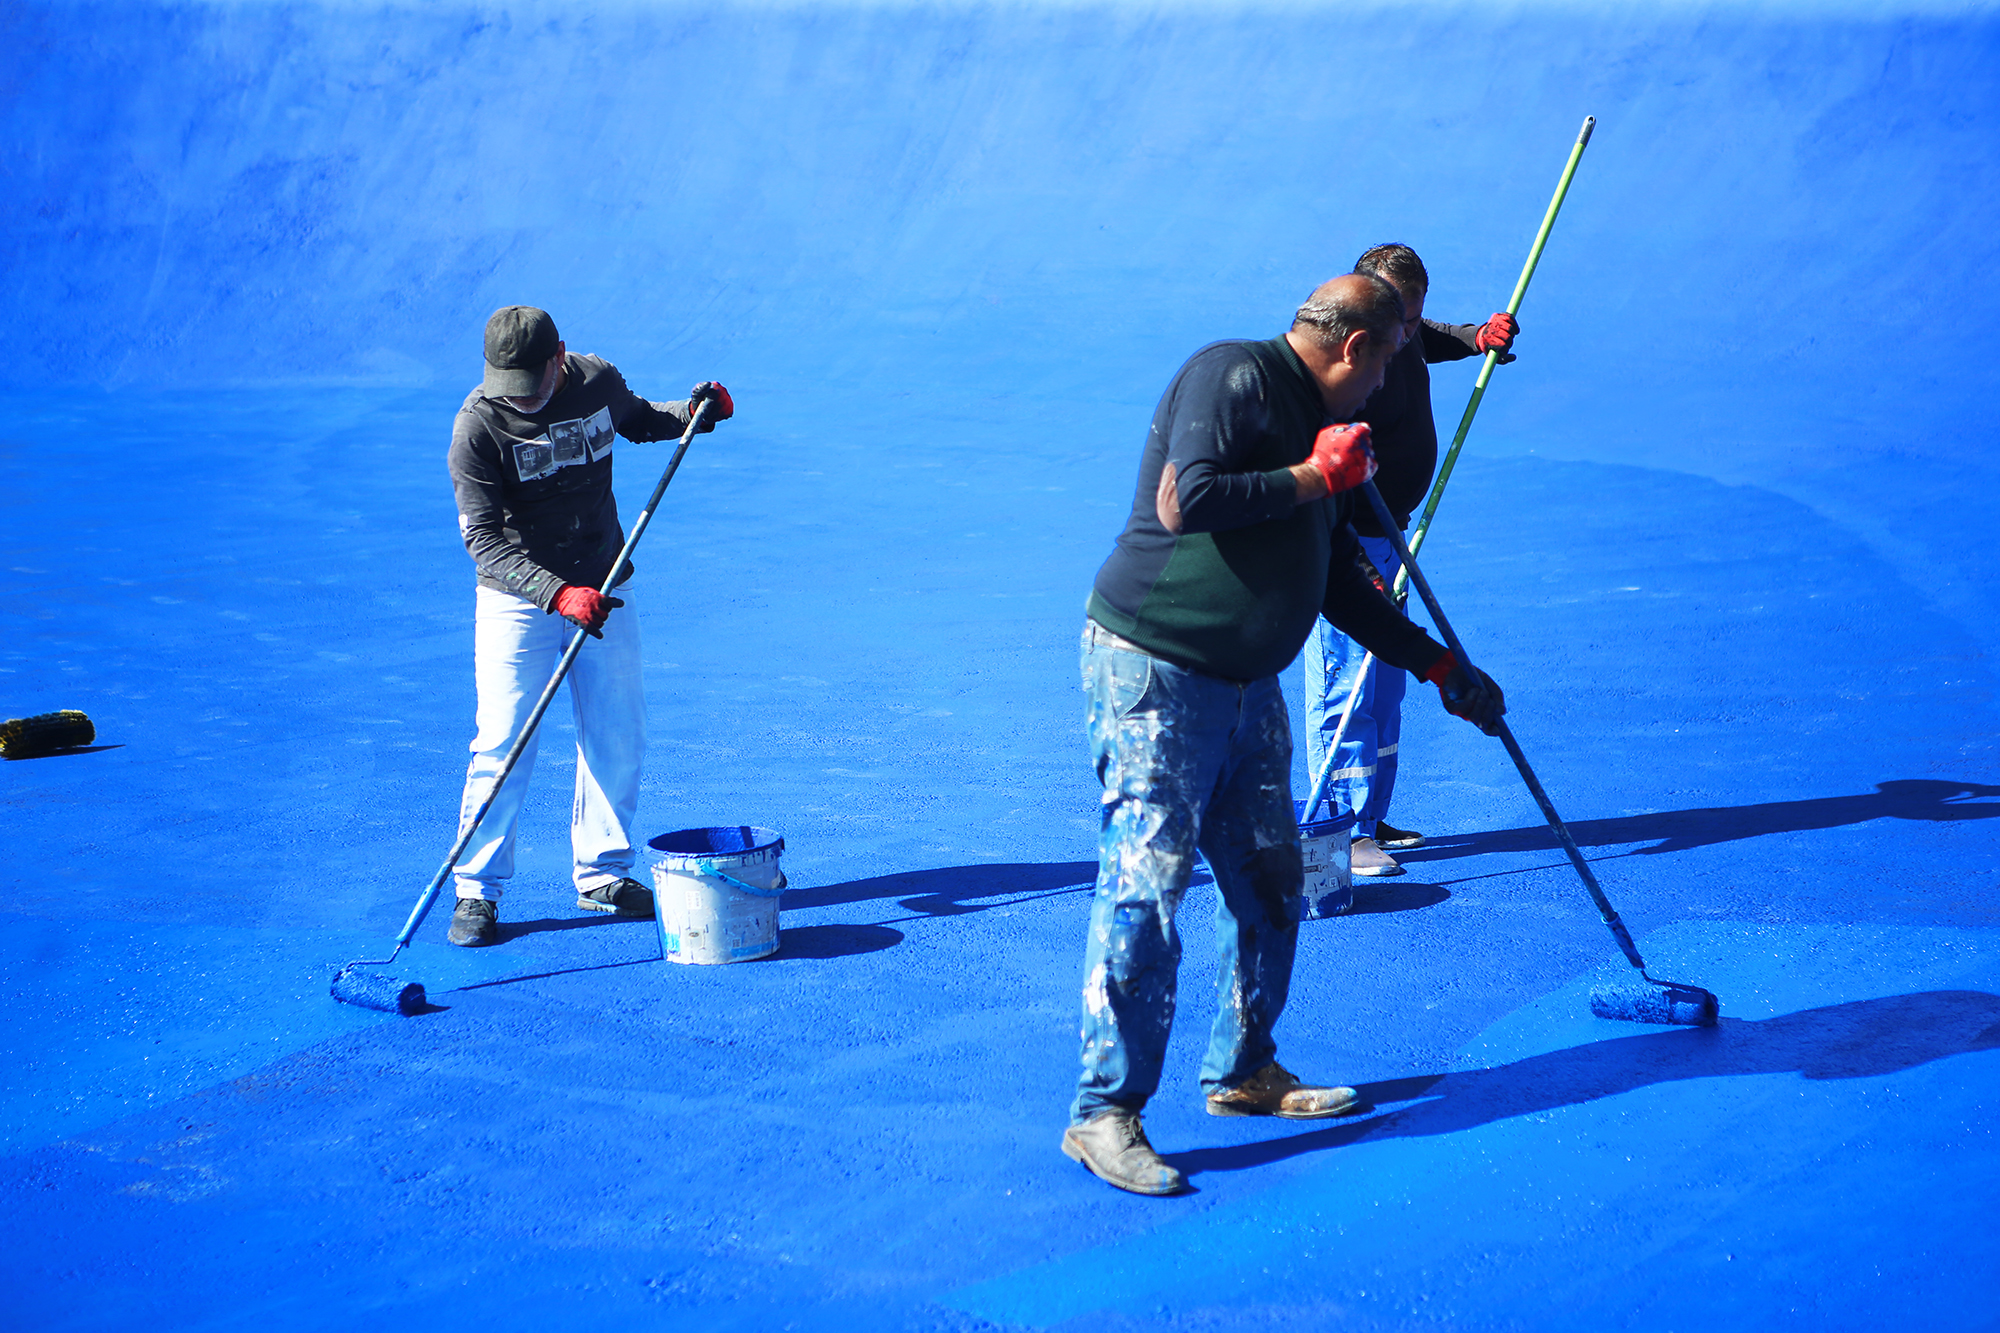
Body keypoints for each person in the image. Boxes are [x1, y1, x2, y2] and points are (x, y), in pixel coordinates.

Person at [1066, 274, 1506, 1195]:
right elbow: (1189, 496)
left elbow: (1340, 578)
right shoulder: (1234, 377)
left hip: (1246, 680)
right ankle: (1103, 1114)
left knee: (1272, 879)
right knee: (1146, 883)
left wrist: (1434, 666)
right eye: (1389, 359)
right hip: (1156, 672)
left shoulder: (1338, 431)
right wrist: (1317, 475)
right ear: (1354, 347)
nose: (1390, 381)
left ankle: (1242, 1071)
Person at [443, 305, 733, 947]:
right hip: (520, 602)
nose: (520, 399)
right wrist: (556, 594)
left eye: (532, 381)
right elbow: (484, 542)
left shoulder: (596, 381)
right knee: (502, 744)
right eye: (506, 383)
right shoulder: (477, 428)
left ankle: (602, 874)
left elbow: (638, 420)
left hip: (604, 584)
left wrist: (694, 415)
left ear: (560, 356)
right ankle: (476, 891)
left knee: (616, 729)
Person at [1302, 244, 1518, 878]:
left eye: (1416, 312)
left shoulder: (1405, 332)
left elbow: (1434, 337)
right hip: (1349, 541)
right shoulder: (1348, 358)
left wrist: (1479, 337)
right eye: (1400, 315)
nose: (1408, 330)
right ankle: (1338, 830)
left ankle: (1370, 817)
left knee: (1386, 681)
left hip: (1395, 535)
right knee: (1347, 680)